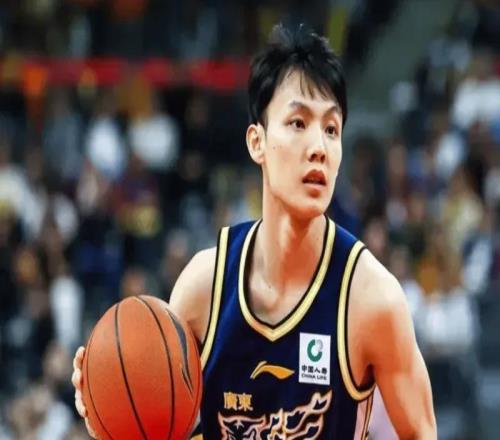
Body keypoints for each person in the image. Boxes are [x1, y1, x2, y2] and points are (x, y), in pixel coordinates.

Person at [72, 24, 436, 439]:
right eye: (298, 122)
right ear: (256, 142)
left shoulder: (372, 300)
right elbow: (160, 422)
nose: (318, 146)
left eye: (331, 129)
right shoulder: (203, 288)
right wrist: (108, 408)